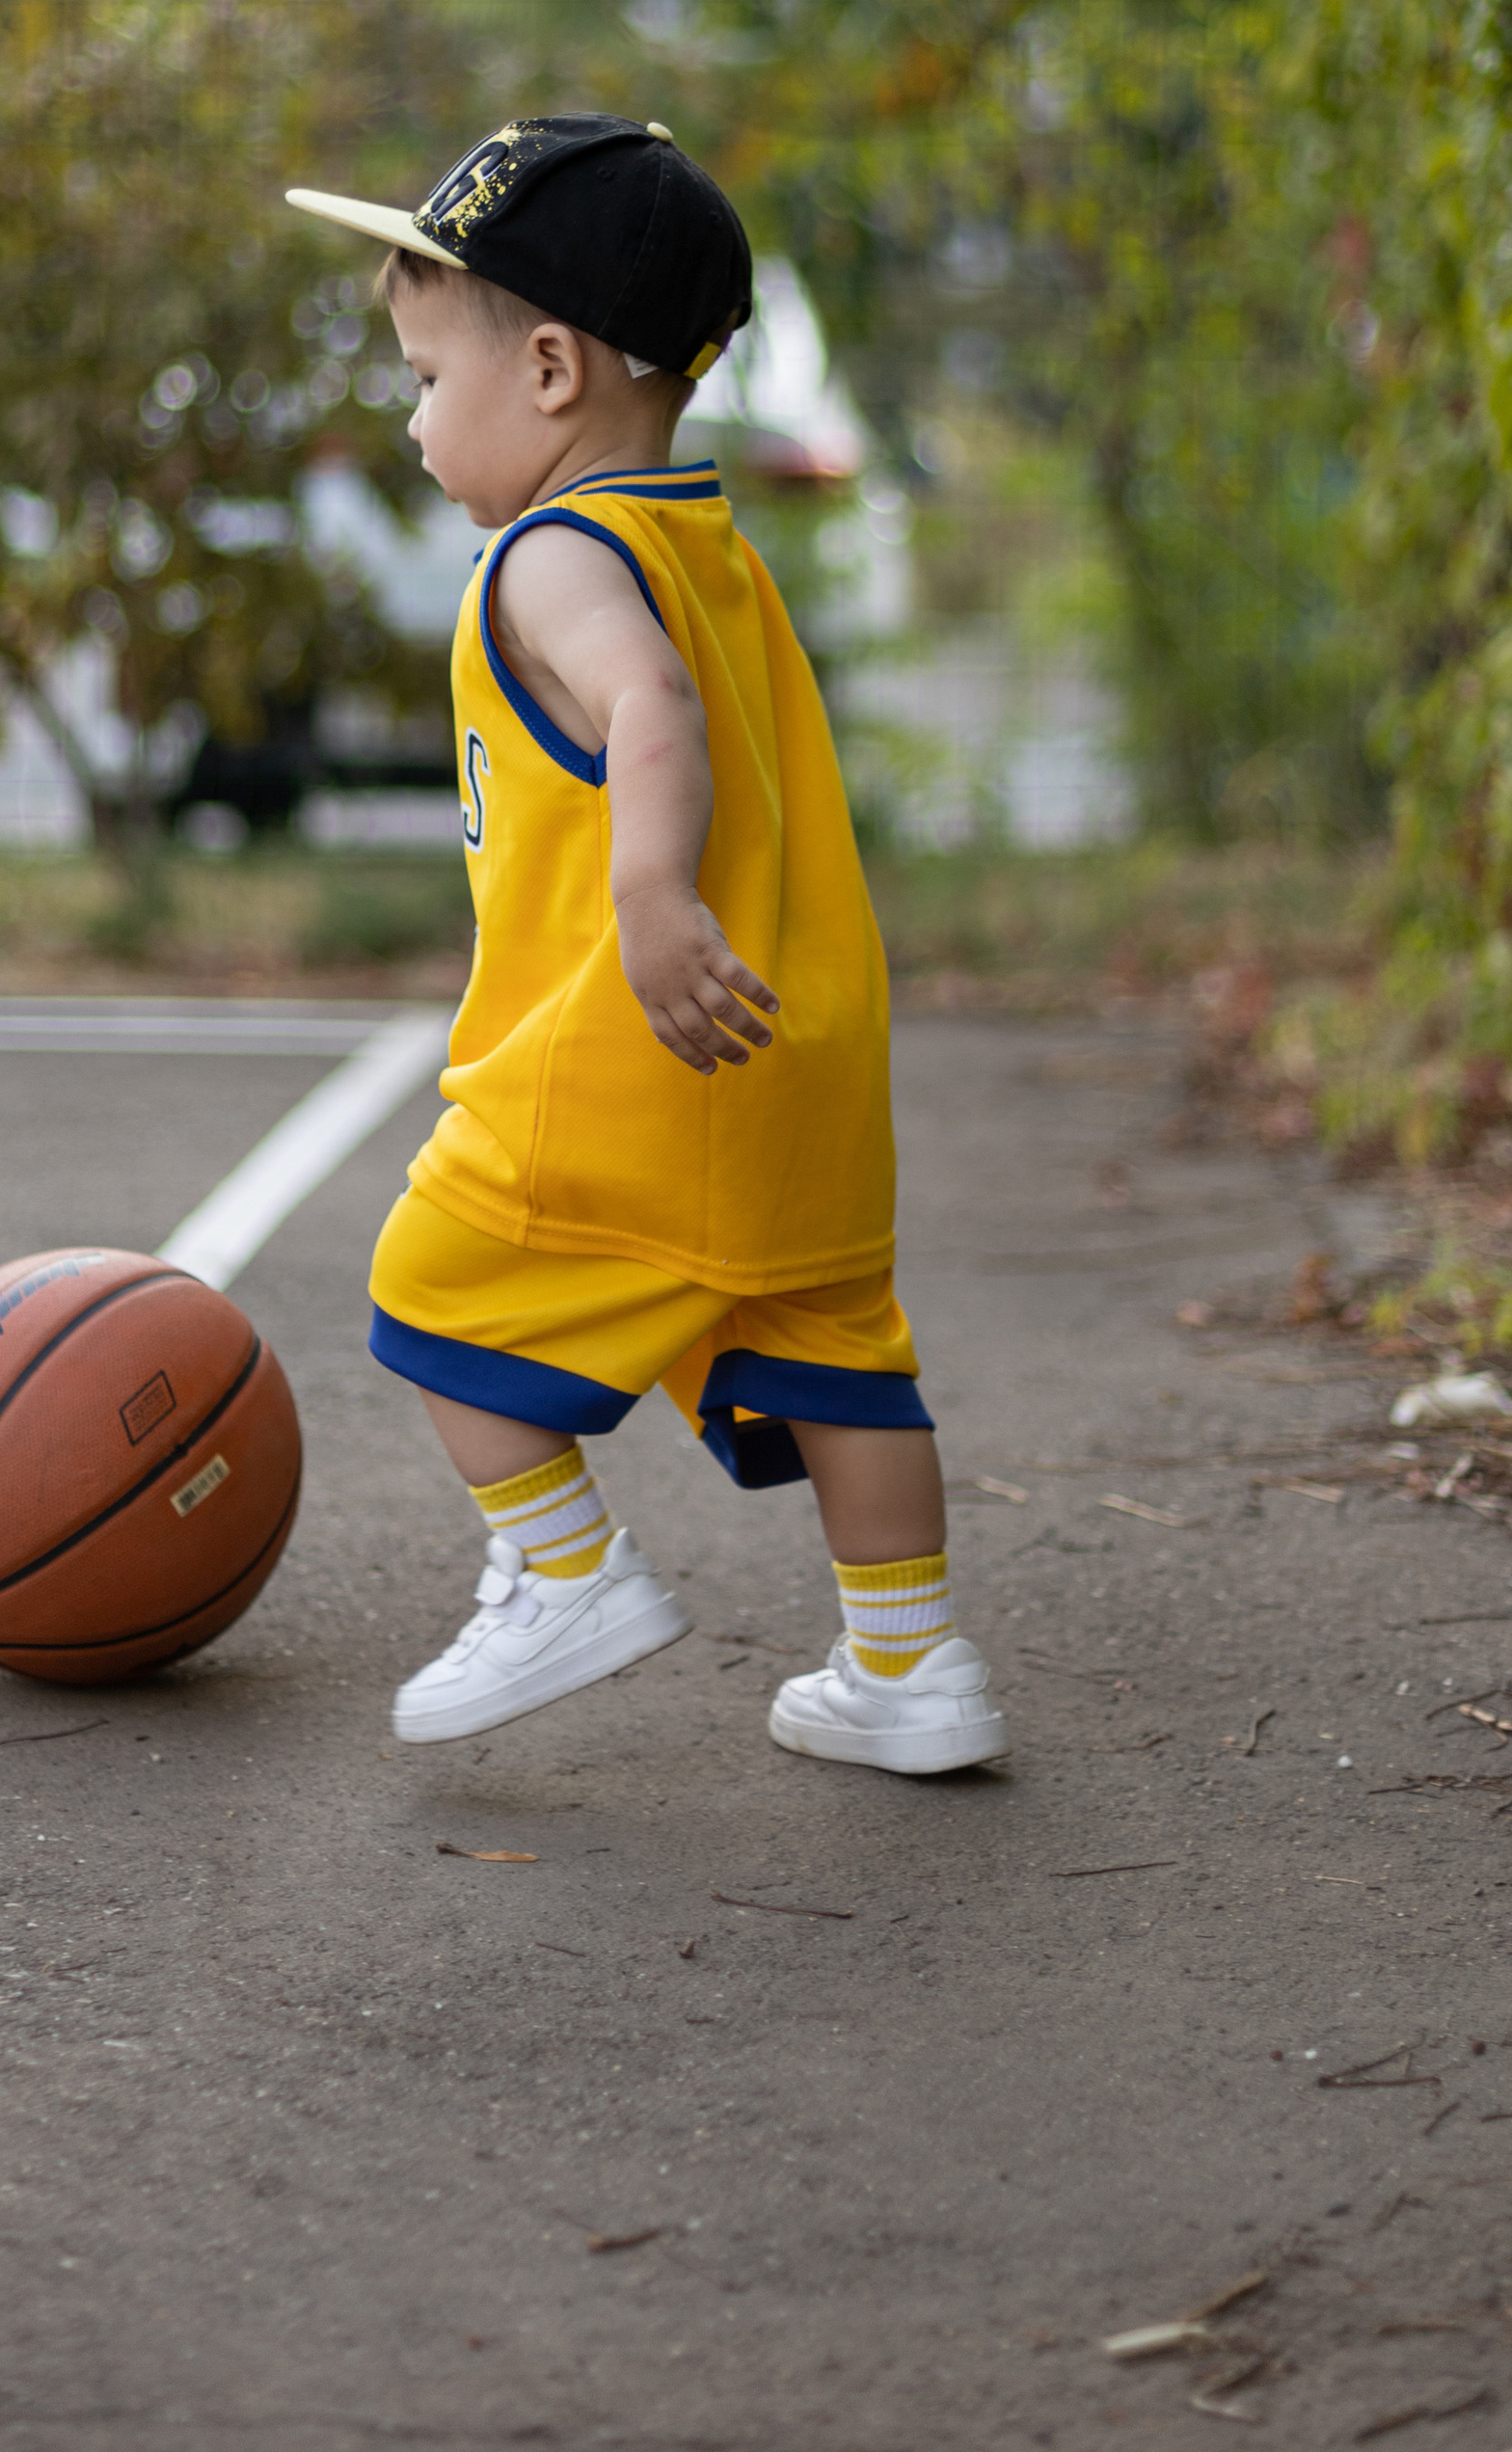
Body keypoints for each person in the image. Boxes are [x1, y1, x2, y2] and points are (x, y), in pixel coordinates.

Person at [285, 115, 1007, 1777]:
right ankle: (913, 1666)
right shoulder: (709, 548)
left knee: (427, 1282)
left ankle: (565, 1566)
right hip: (799, 1057)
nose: (408, 419)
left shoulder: (552, 557)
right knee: (843, 1371)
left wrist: (649, 895)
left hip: (634, 1049)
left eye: (420, 378)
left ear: (547, 368)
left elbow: (646, 712)